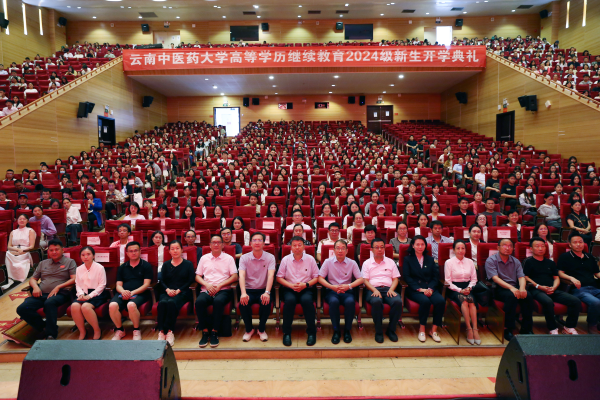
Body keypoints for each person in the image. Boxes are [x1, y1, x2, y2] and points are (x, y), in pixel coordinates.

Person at [16, 240, 76, 340]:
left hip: (60, 294)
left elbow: (74, 279)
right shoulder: (43, 263)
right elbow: (33, 279)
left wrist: (58, 287)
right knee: (22, 308)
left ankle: (51, 334)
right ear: (48, 251)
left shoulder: (70, 262)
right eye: (51, 250)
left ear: (62, 250)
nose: (54, 252)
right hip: (41, 294)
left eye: (57, 249)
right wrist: (35, 287)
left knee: (49, 303)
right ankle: (44, 327)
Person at [524, 237, 580, 335]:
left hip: (552, 289)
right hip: (536, 290)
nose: (540, 248)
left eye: (542, 246)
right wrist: (539, 286)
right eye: (537, 246)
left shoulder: (550, 263)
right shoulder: (528, 262)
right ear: (531, 249)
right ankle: (553, 328)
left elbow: (556, 278)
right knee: (548, 301)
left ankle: (569, 327)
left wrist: (554, 287)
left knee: (575, 301)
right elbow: (525, 277)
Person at [485, 239, 533, 341]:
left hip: (514, 287)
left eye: (510, 246)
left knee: (528, 295)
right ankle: (507, 328)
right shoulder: (491, 260)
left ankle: (526, 328)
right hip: (499, 289)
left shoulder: (516, 261)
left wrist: (522, 289)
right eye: (504, 245)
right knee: (511, 296)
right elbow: (495, 279)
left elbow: (521, 277)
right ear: (498, 247)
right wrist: (512, 288)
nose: (507, 248)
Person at [195, 234, 238, 348]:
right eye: (213, 242)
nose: (216, 245)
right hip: (207, 289)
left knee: (218, 302)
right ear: (210, 245)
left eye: (218, 242)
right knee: (199, 302)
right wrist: (207, 285)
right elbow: (197, 276)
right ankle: (205, 332)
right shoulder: (204, 258)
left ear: (223, 245)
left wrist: (219, 286)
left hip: (223, 289)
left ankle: (215, 332)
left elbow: (234, 276)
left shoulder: (229, 258)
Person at [276, 236, 319, 347]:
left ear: (304, 247)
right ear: (291, 247)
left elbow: (316, 277)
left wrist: (306, 285)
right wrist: (291, 285)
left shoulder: (310, 259)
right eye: (294, 245)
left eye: (300, 245)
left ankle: (311, 333)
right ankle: (286, 333)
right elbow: (279, 277)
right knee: (289, 301)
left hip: (306, 288)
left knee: (307, 301)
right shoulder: (285, 259)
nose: (297, 247)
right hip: (290, 288)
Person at [318, 240, 363, 344]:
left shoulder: (352, 263)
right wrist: (331, 287)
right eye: (337, 248)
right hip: (332, 291)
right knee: (334, 302)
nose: (340, 250)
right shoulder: (327, 262)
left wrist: (349, 286)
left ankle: (347, 330)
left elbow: (361, 279)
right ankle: (336, 330)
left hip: (347, 291)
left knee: (350, 302)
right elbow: (320, 278)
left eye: (343, 248)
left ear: (347, 251)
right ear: (334, 250)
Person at [403, 235, 445, 343]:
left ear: (425, 246)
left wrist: (430, 288)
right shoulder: (407, 259)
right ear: (413, 246)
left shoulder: (430, 259)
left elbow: (435, 277)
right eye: (417, 244)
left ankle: (433, 330)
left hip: (429, 288)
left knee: (440, 301)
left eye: (422, 244)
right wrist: (420, 289)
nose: (420, 247)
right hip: (415, 289)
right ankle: (422, 329)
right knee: (425, 301)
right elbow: (407, 277)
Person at [110, 241, 153, 340]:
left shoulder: (146, 266)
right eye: (131, 251)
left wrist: (132, 293)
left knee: (131, 305)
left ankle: (136, 330)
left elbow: (146, 284)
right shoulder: (122, 267)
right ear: (127, 253)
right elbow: (118, 285)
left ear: (140, 251)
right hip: (123, 293)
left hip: (140, 293)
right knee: (112, 305)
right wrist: (123, 292)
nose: (133, 253)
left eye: (136, 250)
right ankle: (120, 330)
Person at [557, 233, 600, 334]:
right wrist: (571, 278)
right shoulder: (565, 257)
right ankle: (592, 324)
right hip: (578, 289)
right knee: (596, 302)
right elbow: (559, 272)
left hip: (594, 287)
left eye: (580, 242)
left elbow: (596, 273)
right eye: (575, 242)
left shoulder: (589, 257)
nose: (578, 244)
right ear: (570, 244)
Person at [362, 237, 402, 343]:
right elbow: (365, 281)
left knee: (397, 301)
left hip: (388, 289)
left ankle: (391, 330)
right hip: (372, 289)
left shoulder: (390, 262)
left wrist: (392, 289)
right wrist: (374, 290)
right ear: (371, 249)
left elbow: (395, 279)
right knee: (376, 302)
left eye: (382, 247)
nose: (379, 249)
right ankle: (379, 331)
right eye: (376, 247)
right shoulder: (367, 263)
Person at [238, 232, 276, 342]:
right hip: (248, 289)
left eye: (260, 240)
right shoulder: (244, 258)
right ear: (250, 243)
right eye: (254, 240)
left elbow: (271, 275)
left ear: (264, 243)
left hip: (263, 289)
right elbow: (241, 275)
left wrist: (267, 292)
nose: (257, 242)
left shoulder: (270, 257)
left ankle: (261, 329)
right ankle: (249, 329)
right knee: (243, 303)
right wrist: (243, 293)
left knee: (266, 302)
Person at [156, 240, 195, 346]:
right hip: (167, 291)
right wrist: (168, 290)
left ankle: (170, 331)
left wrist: (179, 290)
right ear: (169, 251)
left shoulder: (188, 264)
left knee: (171, 303)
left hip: (182, 292)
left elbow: (190, 280)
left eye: (177, 248)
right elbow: (162, 281)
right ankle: (161, 331)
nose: (175, 251)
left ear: (182, 250)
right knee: (162, 303)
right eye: (172, 249)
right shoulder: (166, 265)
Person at [444, 240, 481, 345]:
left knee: (471, 302)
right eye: (458, 248)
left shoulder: (470, 262)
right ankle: (469, 329)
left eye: (463, 248)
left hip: (468, 287)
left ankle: (475, 329)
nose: (460, 250)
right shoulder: (449, 262)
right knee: (464, 301)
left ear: (465, 250)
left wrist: (469, 288)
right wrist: (460, 290)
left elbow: (474, 279)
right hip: (454, 289)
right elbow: (448, 281)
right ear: (454, 250)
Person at [71, 246, 107, 340]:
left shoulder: (99, 267)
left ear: (93, 256)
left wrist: (90, 296)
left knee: (85, 307)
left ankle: (97, 330)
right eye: (83, 255)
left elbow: (102, 285)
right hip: (83, 293)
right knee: (74, 306)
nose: (85, 257)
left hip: (97, 293)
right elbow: (77, 284)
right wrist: (80, 294)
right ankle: (82, 331)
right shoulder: (79, 269)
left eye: (88, 254)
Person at [3, 214, 37, 290]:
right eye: (20, 219)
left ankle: (21, 280)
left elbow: (31, 246)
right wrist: (17, 250)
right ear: (17, 221)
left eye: (24, 219)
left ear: (27, 221)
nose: (22, 220)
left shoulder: (30, 231)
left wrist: (23, 250)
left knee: (20, 261)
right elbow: (9, 246)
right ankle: (9, 280)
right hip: (14, 251)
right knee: (7, 253)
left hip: (25, 251)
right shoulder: (13, 232)